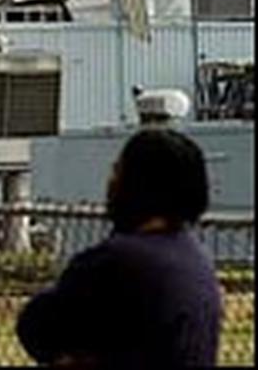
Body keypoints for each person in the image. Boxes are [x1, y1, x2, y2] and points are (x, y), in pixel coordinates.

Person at [16, 127, 221, 368]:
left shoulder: (116, 261)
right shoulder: (198, 261)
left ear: (137, 184)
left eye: (117, 171)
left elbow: (37, 329)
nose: (110, 182)